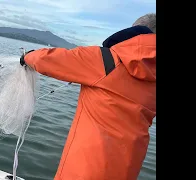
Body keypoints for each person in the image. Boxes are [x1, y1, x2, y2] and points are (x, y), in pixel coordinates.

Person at [20, 13, 156, 180]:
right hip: (128, 167)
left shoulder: (106, 59)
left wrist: (27, 56)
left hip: (86, 168)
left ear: (134, 33)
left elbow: (46, 59)